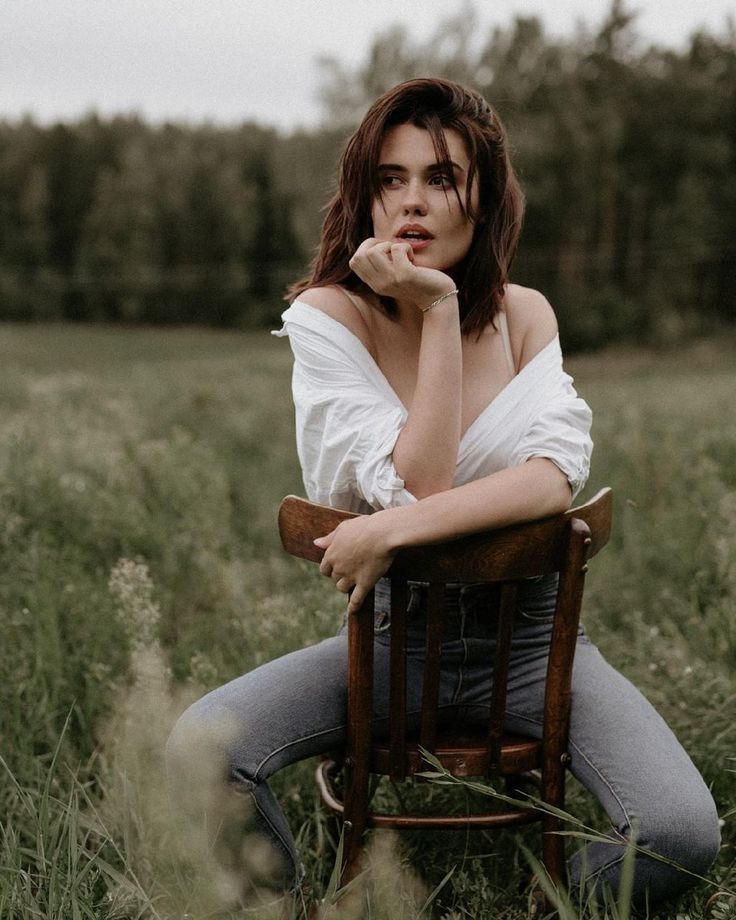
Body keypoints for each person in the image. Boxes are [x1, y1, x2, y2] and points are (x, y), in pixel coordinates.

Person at [166, 78, 720, 907]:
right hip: (391, 646)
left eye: (441, 177)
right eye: (391, 179)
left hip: (536, 648)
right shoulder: (331, 318)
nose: (413, 203)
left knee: (680, 834)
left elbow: (550, 478)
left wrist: (391, 532)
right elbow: (421, 474)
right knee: (196, 750)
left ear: (485, 195)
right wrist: (434, 309)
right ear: (365, 193)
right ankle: (290, 909)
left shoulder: (527, 314)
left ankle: (554, 909)